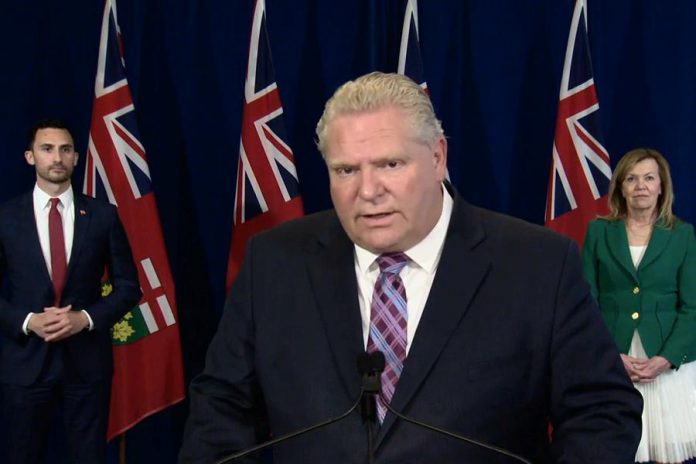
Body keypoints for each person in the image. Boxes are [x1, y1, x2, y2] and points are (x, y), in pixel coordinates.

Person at [180, 72, 642, 463]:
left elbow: (603, 412)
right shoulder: (273, 263)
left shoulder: (537, 264)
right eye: (345, 170)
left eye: (390, 164)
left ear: (438, 157)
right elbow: (219, 410)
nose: (368, 190)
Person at [0, 119, 142, 463]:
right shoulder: (6, 217)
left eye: (65, 149)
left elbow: (128, 287)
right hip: (25, 363)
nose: (57, 157)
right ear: (30, 156)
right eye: (47, 149)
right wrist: (27, 321)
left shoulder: (103, 215)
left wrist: (87, 319)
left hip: (86, 364)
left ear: (76, 158)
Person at [582, 148, 696, 464]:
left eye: (648, 178)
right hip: (613, 361)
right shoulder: (599, 232)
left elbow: (693, 308)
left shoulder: (682, 235)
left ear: (662, 186)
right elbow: (585, 301)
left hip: (666, 367)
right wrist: (610, 355)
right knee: (614, 450)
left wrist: (667, 359)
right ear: (620, 186)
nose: (641, 186)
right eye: (631, 179)